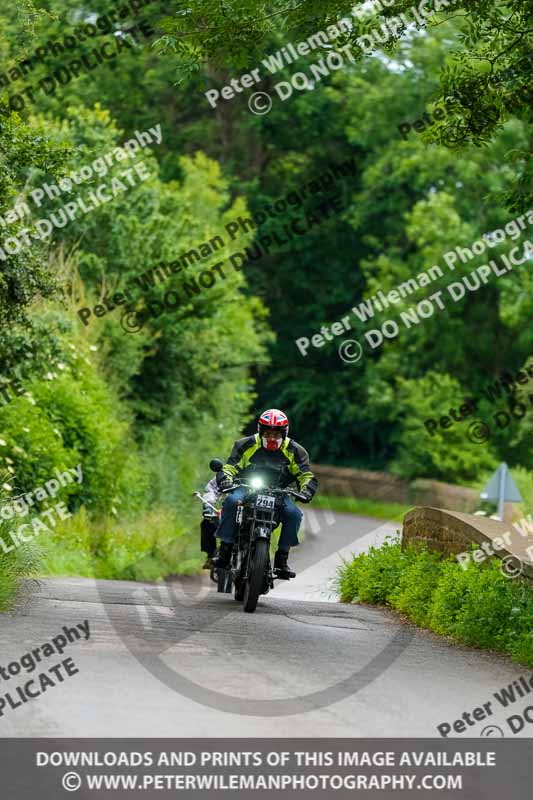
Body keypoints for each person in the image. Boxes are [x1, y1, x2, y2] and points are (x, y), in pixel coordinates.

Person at [212, 409, 317, 579]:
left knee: (294, 514)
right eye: (268, 433)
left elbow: (306, 475)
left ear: (284, 433)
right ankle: (225, 550)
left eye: (276, 434)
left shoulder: (296, 451)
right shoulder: (245, 444)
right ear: (261, 431)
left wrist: (306, 490)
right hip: (247, 487)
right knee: (232, 501)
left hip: (279, 492)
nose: (272, 438)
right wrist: (225, 479)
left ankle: (282, 559)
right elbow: (230, 466)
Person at [200, 476, 221, 568]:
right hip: (228, 511)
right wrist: (208, 503)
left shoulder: (270, 470)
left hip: (254, 513)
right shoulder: (232, 469)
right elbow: (212, 487)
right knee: (208, 522)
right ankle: (211, 555)